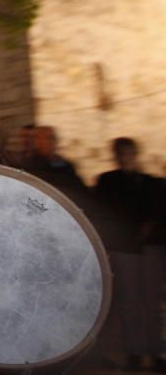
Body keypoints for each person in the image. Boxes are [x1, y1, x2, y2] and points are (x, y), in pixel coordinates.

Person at [94, 137, 166, 372]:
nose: (127, 157)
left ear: (136, 154)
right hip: (125, 248)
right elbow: (106, 213)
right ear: (117, 156)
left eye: (130, 153)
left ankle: (155, 352)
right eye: (122, 153)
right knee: (130, 303)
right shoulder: (109, 182)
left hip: (150, 248)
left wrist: (149, 226)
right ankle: (134, 351)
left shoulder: (151, 183)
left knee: (152, 303)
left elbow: (157, 211)